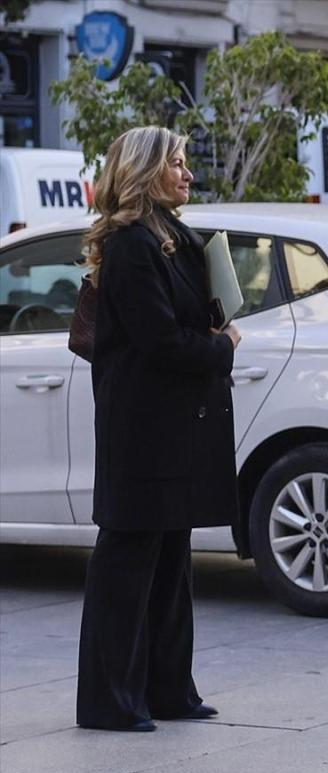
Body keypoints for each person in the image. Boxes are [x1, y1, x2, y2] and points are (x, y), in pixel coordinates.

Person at [77, 126, 242, 733]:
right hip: (140, 429)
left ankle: (169, 689)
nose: (188, 174)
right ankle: (109, 702)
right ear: (146, 172)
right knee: (127, 562)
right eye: (177, 163)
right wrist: (221, 346)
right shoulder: (129, 246)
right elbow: (159, 341)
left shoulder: (172, 236)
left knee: (172, 560)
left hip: (176, 426)